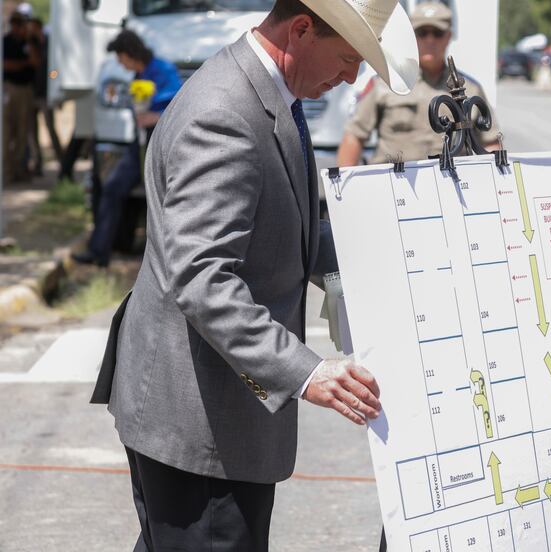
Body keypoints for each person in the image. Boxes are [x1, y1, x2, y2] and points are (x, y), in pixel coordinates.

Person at [89, 0, 419, 549]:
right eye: (347, 59)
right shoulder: (225, 114)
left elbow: (285, 229)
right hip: (197, 425)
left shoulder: (267, 97)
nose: (350, 78)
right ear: (301, 29)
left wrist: (397, 253)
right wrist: (306, 372)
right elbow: (202, 277)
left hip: (208, 415)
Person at [337, 1, 499, 167]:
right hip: (395, 184)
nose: (430, 40)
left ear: (448, 36)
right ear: (412, 36)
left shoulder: (469, 90)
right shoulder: (385, 84)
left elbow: (490, 142)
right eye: (422, 33)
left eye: (437, 33)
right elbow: (354, 136)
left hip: (453, 185)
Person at [72, 30, 182, 267]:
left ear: (129, 54)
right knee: (111, 188)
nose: (120, 64)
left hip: (162, 146)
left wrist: (156, 117)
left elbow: (180, 103)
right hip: (137, 146)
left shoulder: (163, 70)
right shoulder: (137, 75)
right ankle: (99, 251)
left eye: (120, 58)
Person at [3, 10, 38, 184]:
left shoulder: (29, 42)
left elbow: (36, 63)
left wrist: (30, 42)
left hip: (26, 90)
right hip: (9, 89)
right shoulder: (6, 42)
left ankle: (17, 169)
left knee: (23, 133)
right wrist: (23, 64)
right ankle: (7, 171)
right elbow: (7, 66)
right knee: (7, 132)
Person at [27, 17, 62, 176]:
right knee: (32, 132)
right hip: (32, 93)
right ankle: (37, 162)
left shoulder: (50, 43)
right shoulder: (30, 44)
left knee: (50, 128)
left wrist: (52, 78)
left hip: (46, 93)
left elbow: (56, 69)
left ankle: (62, 162)